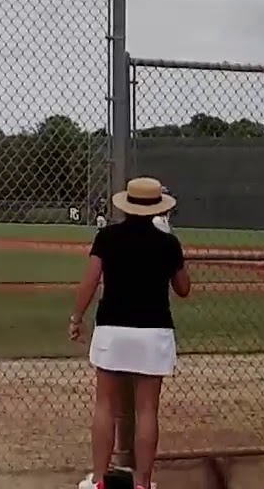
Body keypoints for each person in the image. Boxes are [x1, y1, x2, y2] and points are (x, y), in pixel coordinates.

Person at [70, 177, 191, 489]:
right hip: (154, 330)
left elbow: (90, 280)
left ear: (127, 205)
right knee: (147, 410)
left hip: (113, 327)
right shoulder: (168, 243)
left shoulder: (107, 237)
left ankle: (99, 480)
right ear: (157, 209)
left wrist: (76, 317)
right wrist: (171, 245)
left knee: (105, 406)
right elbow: (183, 289)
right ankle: (142, 483)